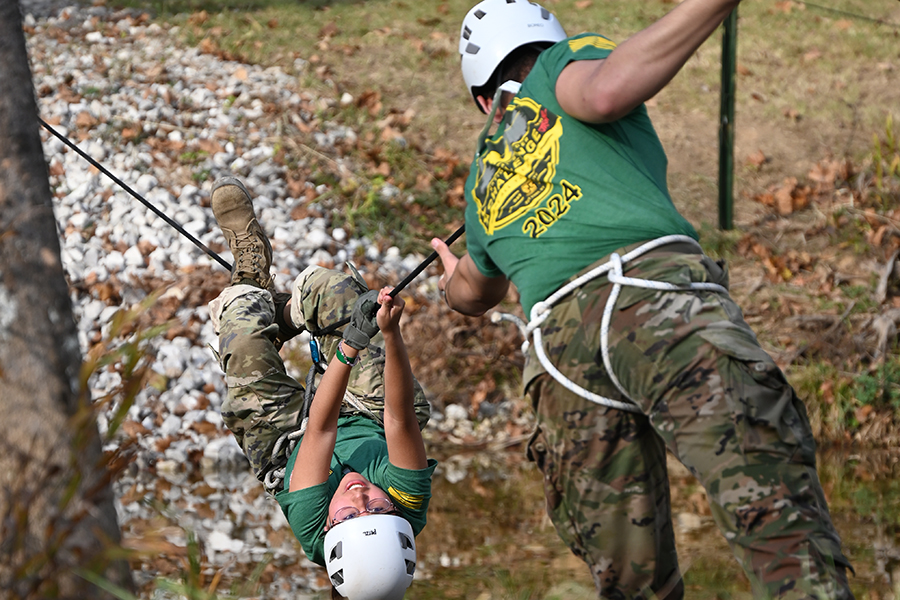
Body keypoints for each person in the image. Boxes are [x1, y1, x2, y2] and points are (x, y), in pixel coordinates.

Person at [431, 0, 854, 598]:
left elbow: (474, 290)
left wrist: (450, 276)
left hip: (560, 362)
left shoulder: (483, 175)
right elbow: (603, 93)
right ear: (550, 47)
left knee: (630, 581)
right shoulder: (559, 68)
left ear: (482, 100)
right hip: (653, 306)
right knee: (774, 518)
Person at [206, 176, 437, 600]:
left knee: (239, 336)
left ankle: (251, 276)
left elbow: (321, 429)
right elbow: (398, 417)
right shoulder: (408, 499)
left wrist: (350, 345)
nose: (361, 495)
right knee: (332, 291)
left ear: (330, 527)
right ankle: (285, 313)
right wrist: (387, 333)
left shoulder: (311, 522)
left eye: (351, 513)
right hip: (373, 414)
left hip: (288, 442)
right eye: (378, 507)